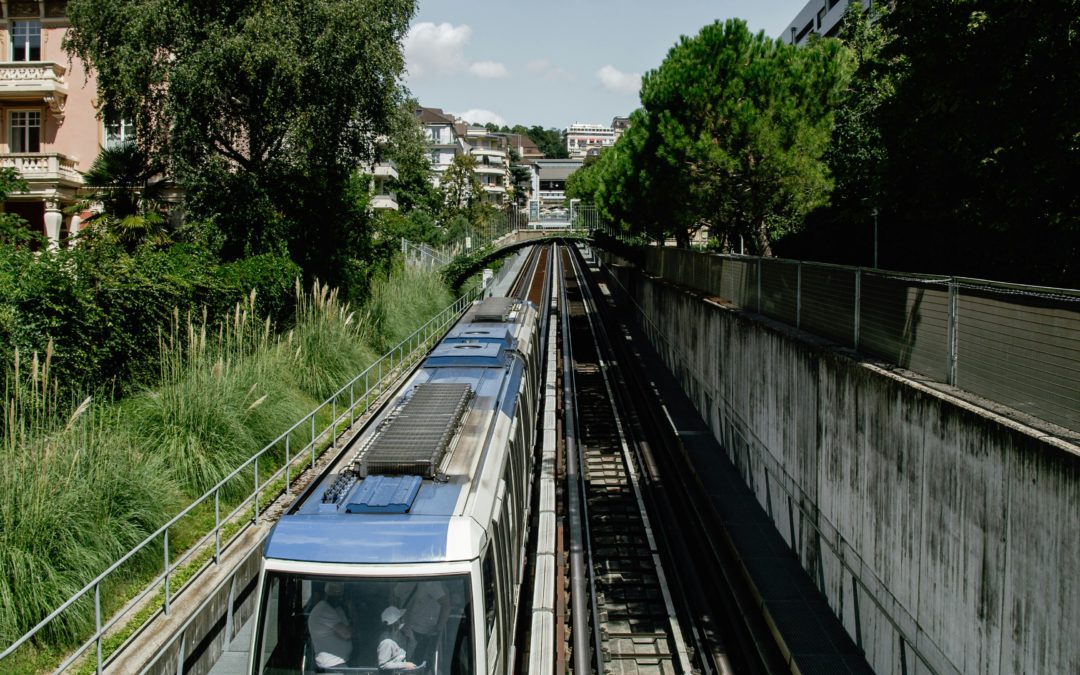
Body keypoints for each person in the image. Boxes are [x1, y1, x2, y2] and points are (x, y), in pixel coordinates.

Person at [390, 581, 448, 664]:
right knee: (402, 663)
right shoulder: (403, 582)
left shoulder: (432, 583)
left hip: (423, 633)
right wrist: (395, 619)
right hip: (405, 630)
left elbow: (446, 606)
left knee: (417, 665)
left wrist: (438, 628)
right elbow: (394, 597)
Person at [308, 582, 353, 669]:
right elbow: (347, 634)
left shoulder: (337, 608)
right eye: (337, 596)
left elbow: (347, 631)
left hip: (340, 663)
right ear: (327, 595)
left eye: (341, 596)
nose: (340, 599)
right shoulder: (324, 609)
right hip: (331, 665)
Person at [377, 606, 423, 671]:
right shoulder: (386, 640)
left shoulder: (401, 636)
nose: (403, 621)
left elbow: (407, 656)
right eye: (401, 619)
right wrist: (405, 665)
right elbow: (383, 665)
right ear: (395, 622)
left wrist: (412, 639)